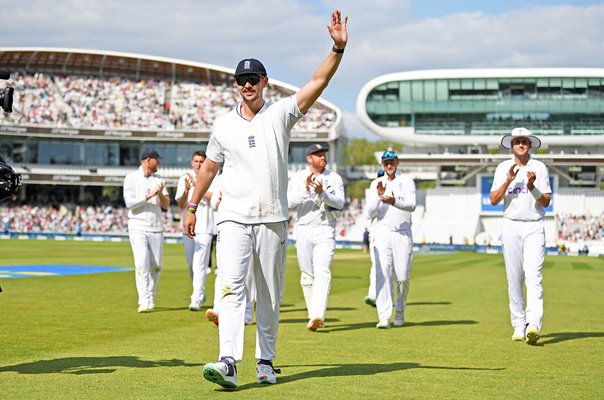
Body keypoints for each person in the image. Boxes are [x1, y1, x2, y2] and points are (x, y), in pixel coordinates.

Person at [183, 10, 348, 388]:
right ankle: (228, 361)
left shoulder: (281, 113)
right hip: (233, 217)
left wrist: (337, 48)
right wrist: (192, 206)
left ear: (264, 81)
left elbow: (318, 82)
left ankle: (266, 361)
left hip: (272, 218)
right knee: (229, 286)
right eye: (241, 80)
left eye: (253, 79)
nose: (247, 85)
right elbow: (208, 168)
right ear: (236, 85)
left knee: (270, 295)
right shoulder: (223, 124)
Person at [489, 127, 551, 345]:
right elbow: (494, 200)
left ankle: (533, 324)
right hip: (511, 225)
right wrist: (508, 180)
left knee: (534, 277)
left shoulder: (539, 167)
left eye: (525, 141)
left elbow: (545, 202)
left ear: (530, 144)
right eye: (517, 141)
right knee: (514, 278)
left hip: (534, 225)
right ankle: (518, 323)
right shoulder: (503, 167)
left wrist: (532, 187)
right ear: (512, 145)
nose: (521, 144)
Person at [288, 143, 345, 331]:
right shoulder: (298, 177)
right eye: (318, 155)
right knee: (306, 275)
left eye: (324, 154)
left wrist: (322, 193)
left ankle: (317, 315)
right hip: (303, 228)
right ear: (309, 158)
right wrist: (306, 190)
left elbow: (339, 202)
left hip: (325, 227)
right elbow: (288, 203)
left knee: (322, 271)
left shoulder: (334, 178)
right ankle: (313, 315)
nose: (323, 157)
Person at [365, 150, 416, 329]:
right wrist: (379, 197)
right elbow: (368, 213)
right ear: (382, 165)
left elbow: (412, 204)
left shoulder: (406, 181)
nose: (389, 165)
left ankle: (400, 310)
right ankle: (384, 316)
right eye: (386, 162)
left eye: (392, 162)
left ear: (397, 162)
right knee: (383, 272)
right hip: (383, 231)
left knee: (402, 276)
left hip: (402, 232)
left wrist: (394, 201)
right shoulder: (376, 184)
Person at [123, 149, 170, 313]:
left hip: (156, 227)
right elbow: (130, 204)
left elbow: (165, 205)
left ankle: (151, 296)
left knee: (156, 266)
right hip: (137, 226)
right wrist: (150, 195)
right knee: (142, 262)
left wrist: (160, 194)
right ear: (148, 160)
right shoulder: (130, 178)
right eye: (157, 159)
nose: (159, 162)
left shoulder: (160, 179)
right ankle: (144, 299)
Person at [175, 150, 216, 311]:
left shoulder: (212, 177)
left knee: (200, 264)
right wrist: (186, 190)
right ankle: (199, 292)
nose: (198, 164)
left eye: (201, 161)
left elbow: (214, 198)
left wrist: (199, 186)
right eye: (196, 161)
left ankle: (196, 298)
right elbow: (180, 204)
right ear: (192, 162)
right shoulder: (183, 179)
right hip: (188, 228)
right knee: (192, 265)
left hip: (205, 227)